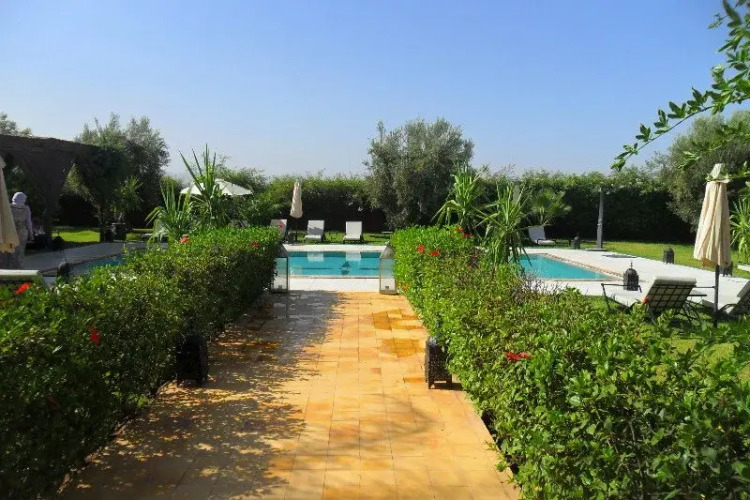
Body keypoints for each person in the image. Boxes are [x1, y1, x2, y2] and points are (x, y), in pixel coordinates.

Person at [10, 192, 33, 268]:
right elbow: (29, 222)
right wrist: (31, 234)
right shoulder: (26, 208)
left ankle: (10, 267)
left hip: (10, 233)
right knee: (20, 251)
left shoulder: (9, 207)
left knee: (10, 250)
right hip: (22, 233)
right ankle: (18, 266)